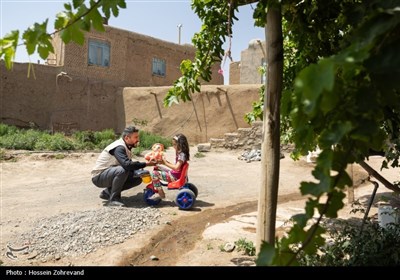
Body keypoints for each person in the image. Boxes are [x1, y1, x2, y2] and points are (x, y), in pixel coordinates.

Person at [91, 126, 156, 207]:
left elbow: (130, 164)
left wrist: (140, 169)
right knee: (123, 170)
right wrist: (146, 164)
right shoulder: (119, 147)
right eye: (135, 137)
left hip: (109, 173)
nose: (138, 140)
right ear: (127, 138)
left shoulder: (126, 147)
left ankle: (108, 192)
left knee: (137, 178)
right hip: (99, 177)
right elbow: (127, 165)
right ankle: (114, 199)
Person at [149, 133, 190, 200]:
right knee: (157, 167)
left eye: (174, 144)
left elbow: (176, 167)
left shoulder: (181, 155)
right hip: (175, 174)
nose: (173, 146)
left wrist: (165, 163)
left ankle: (160, 193)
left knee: (154, 174)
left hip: (175, 177)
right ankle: (158, 190)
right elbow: (175, 166)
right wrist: (164, 162)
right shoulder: (181, 153)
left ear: (180, 145)